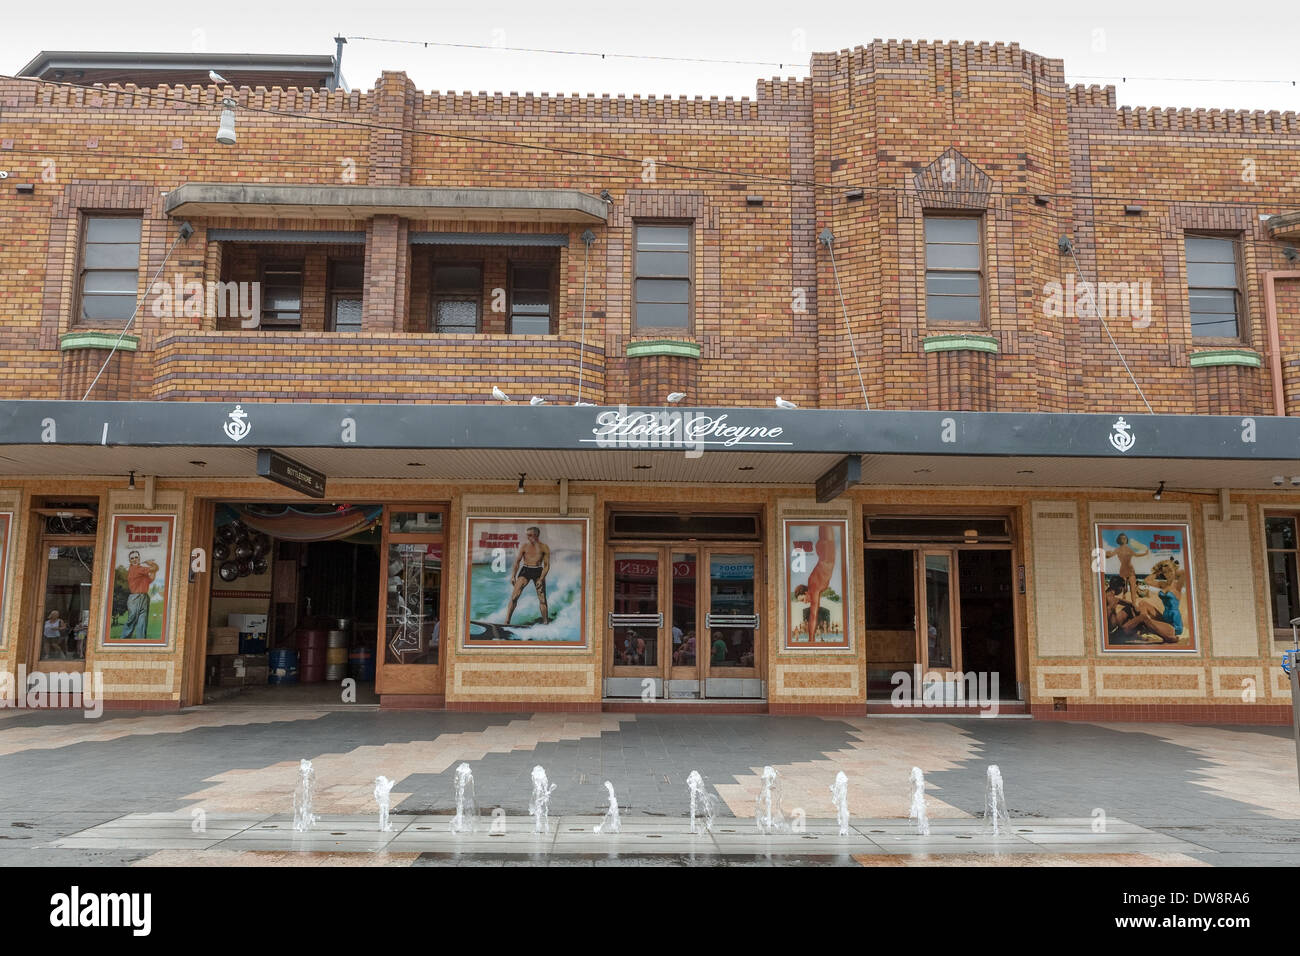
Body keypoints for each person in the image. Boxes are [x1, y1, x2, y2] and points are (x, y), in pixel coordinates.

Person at [505, 526, 551, 626]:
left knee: (542, 599)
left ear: (536, 535)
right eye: (528, 535)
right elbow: (517, 562)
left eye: (530, 535)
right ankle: (507, 622)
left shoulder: (544, 547)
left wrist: (541, 578)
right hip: (525, 570)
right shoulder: (524, 546)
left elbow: (547, 566)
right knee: (514, 597)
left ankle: (545, 623)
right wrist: (513, 576)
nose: (528, 537)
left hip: (538, 571)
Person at [123, 550, 160, 641]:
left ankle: (141, 643)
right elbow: (155, 568)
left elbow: (150, 579)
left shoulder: (141, 571)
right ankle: (123, 641)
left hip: (144, 597)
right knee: (131, 622)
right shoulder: (135, 569)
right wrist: (151, 563)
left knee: (142, 623)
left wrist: (152, 567)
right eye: (132, 558)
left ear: (139, 558)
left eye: (136, 557)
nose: (134, 559)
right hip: (135, 598)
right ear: (129, 560)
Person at [1105, 533, 1149, 603]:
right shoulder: (1117, 549)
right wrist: (1106, 555)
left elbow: (1136, 555)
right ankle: (1124, 596)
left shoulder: (1129, 549)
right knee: (1124, 587)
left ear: (1126, 540)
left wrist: (1145, 554)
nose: (1123, 540)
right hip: (1123, 570)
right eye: (1122, 538)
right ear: (1119, 540)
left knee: (1132, 587)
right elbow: (1109, 556)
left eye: (1125, 538)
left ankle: (1134, 603)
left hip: (1131, 570)